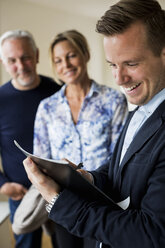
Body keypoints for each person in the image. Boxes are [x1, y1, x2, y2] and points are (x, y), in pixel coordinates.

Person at [23, 0, 165, 247]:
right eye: (112, 65)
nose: (119, 78)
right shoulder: (142, 105)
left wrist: (59, 201)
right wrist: (87, 178)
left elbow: (152, 234)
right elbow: (118, 169)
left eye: (131, 63)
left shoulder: (120, 100)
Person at [23, 29, 127, 248]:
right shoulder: (47, 108)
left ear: (85, 54)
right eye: (58, 60)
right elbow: (41, 157)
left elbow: (119, 157)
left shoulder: (114, 100)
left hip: (101, 203)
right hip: (62, 202)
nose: (66, 65)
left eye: (71, 55)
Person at [0, 29, 61, 248]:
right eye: (12, 60)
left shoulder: (57, 92)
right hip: (21, 193)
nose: (21, 65)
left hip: (60, 189)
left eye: (25, 57)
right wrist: (3, 185)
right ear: (4, 63)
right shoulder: (0, 100)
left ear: (36, 55)